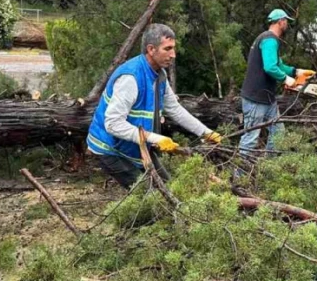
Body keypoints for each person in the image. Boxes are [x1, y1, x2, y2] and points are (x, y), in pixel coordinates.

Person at [87, 23, 223, 188]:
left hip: (137, 145)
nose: (173, 55)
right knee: (150, 196)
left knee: (167, 188)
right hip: (110, 149)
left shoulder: (159, 75)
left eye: (173, 48)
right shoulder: (131, 78)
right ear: (151, 49)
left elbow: (175, 109)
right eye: (167, 49)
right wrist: (155, 138)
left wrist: (206, 133)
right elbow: (112, 124)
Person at [239, 9, 315, 154]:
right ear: (280, 21)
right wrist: (288, 80)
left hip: (267, 99)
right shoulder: (270, 39)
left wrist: (296, 72)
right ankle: (239, 176)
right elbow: (270, 67)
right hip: (256, 99)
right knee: (250, 139)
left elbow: (278, 65)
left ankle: (269, 169)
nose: (287, 24)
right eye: (286, 21)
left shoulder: (267, 39)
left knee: (278, 134)